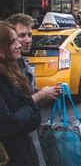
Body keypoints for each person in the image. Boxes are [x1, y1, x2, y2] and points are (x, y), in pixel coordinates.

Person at [0, 22, 42, 165]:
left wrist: (25, 112)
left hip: (24, 149)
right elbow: (7, 124)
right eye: (13, 42)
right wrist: (27, 110)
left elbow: (36, 117)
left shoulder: (13, 71)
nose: (19, 45)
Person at [7, 14, 61, 105]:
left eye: (30, 35)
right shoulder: (4, 69)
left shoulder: (22, 63)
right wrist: (41, 95)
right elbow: (14, 109)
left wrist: (50, 93)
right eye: (22, 35)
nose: (28, 40)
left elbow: (31, 98)